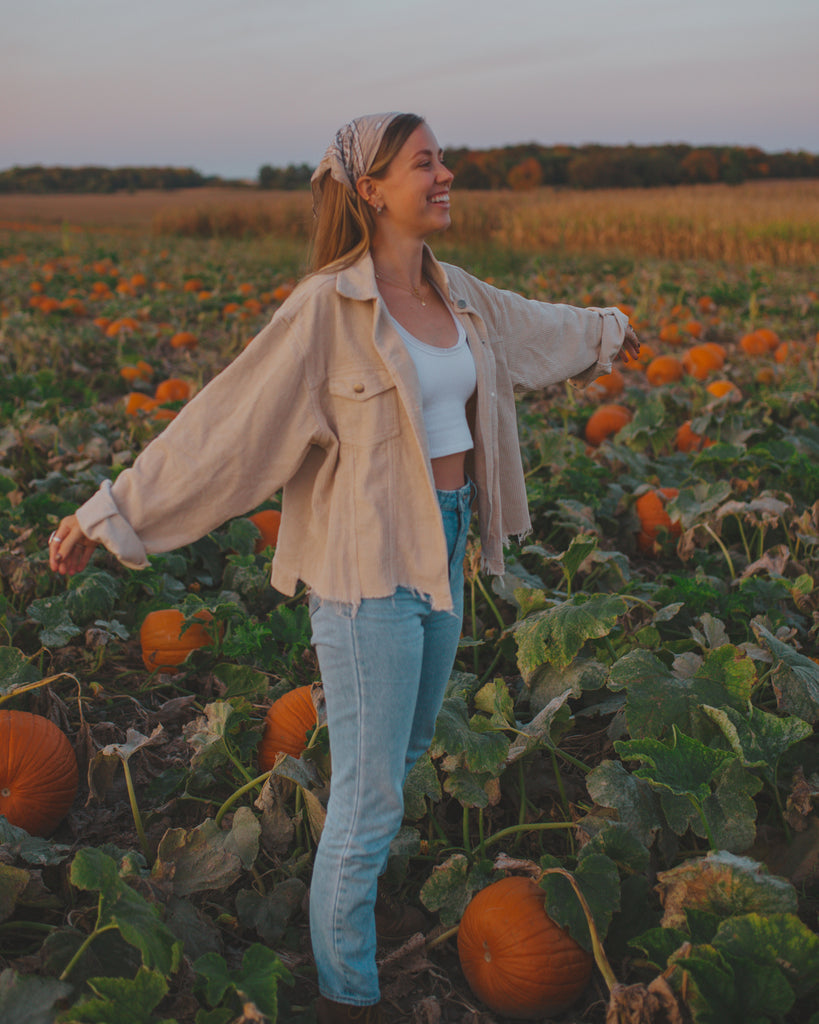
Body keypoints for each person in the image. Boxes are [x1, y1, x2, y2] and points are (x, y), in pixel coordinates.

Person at [48, 112, 640, 1023]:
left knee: (393, 767)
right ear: (370, 189)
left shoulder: (463, 298)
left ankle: (331, 904)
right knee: (369, 803)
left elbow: (536, 333)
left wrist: (606, 331)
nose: (445, 174)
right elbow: (226, 426)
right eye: (424, 162)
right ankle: (349, 998)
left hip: (443, 551)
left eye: (442, 159)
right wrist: (113, 510)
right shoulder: (326, 309)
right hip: (366, 576)